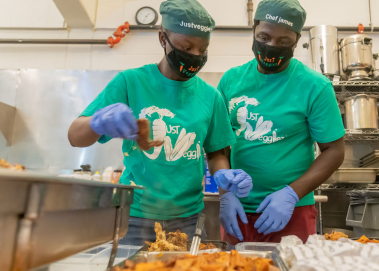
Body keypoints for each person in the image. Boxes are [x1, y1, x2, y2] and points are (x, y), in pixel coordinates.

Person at [68, 0, 252, 245]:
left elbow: (217, 153)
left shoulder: (211, 96)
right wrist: (99, 122)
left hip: (188, 219)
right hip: (133, 217)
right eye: (185, 46)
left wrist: (225, 185)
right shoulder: (130, 82)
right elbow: (74, 136)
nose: (195, 56)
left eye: (203, 49)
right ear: (162, 38)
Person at [217, 0, 345, 244]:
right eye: (264, 37)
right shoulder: (231, 81)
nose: (271, 47)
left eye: (283, 42)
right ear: (253, 30)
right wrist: (225, 194)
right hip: (238, 210)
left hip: (290, 211)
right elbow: (219, 147)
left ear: (297, 41)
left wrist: (291, 194)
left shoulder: (314, 86)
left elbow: (334, 151)